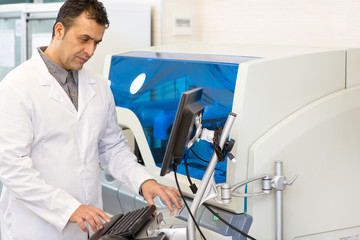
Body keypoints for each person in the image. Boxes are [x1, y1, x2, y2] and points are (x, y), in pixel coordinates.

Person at [0, 0, 181, 239]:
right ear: (59, 30)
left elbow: (112, 147)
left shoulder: (97, 85)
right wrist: (68, 208)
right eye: (84, 39)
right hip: (35, 227)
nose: (91, 51)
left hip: (87, 224)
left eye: (96, 42)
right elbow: (13, 167)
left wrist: (144, 181)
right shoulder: (17, 86)